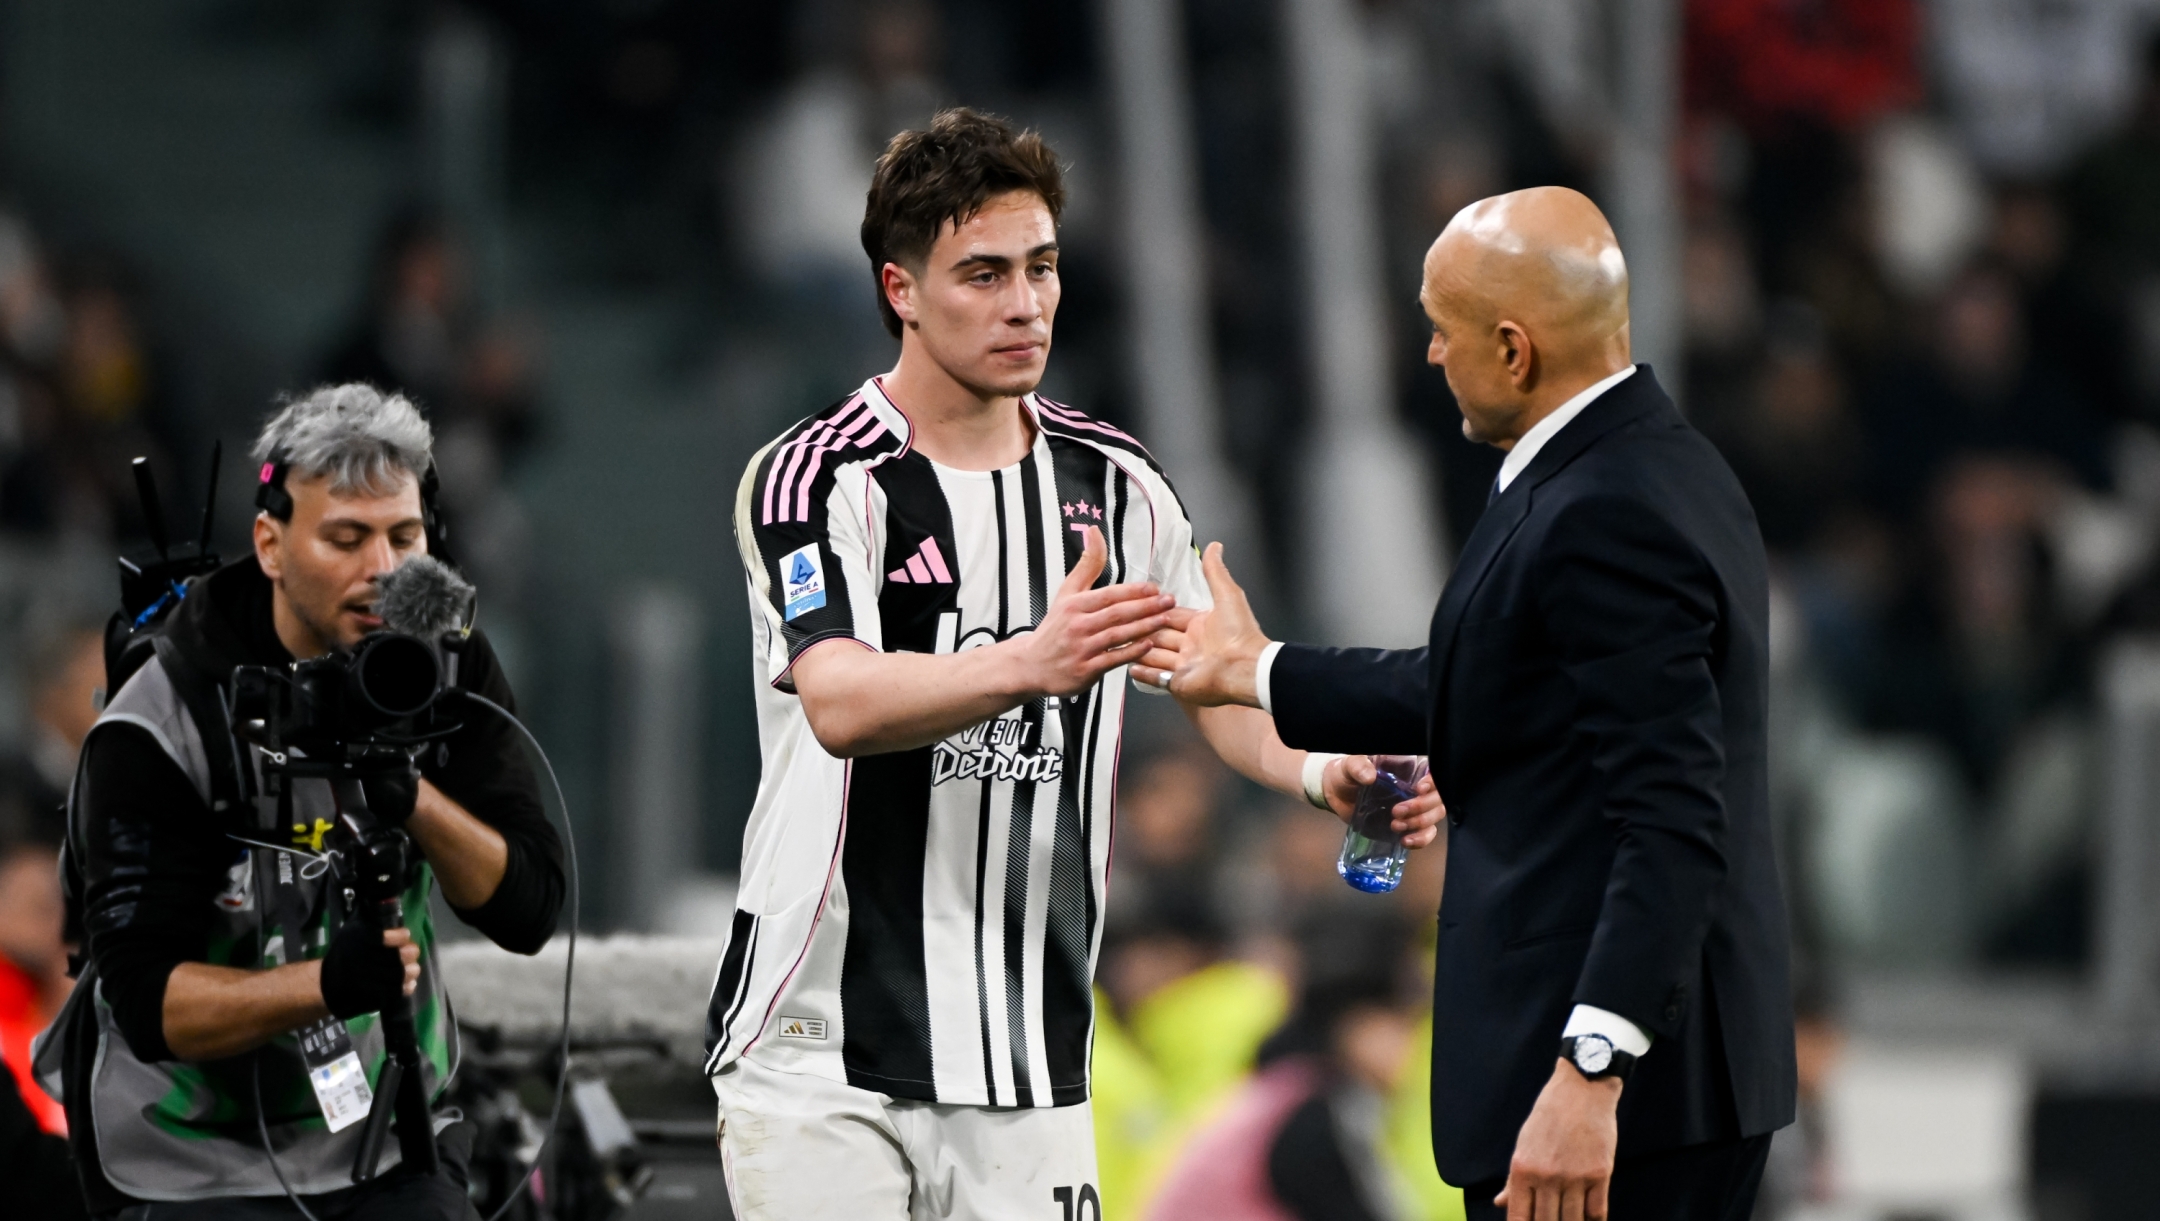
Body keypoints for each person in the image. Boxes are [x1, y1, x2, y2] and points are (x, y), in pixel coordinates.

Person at [702, 107, 1443, 1221]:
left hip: (1029, 1060)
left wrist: (1317, 773)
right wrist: (1027, 662)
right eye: (984, 274)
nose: (1025, 304)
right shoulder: (817, 479)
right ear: (900, 290)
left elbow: (1206, 675)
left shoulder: (1119, 485)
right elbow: (841, 699)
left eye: (1041, 268)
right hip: (824, 1055)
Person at [1143, 187, 1796, 1221]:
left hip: (1619, 1103)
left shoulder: (1606, 509)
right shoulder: (1655, 466)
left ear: (1514, 348)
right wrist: (1266, 672)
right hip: (1646, 1090)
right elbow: (1510, 681)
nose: (1434, 356)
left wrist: (1591, 1069)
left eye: (1443, 334)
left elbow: (1672, 817)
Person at [51, 384, 564, 1218]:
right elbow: (147, 1001)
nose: (385, 572)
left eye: (405, 536)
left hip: (385, 1133)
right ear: (271, 543)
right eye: (346, 538)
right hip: (185, 1156)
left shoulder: (445, 664)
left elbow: (529, 907)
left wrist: (413, 801)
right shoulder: (165, 714)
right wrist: (325, 982)